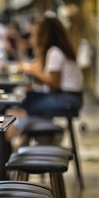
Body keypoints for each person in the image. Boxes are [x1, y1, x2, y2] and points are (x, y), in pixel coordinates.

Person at [6, 12, 84, 140]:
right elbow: (48, 81)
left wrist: (30, 71)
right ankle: (39, 137)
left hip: (68, 99)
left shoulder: (55, 52)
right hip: (71, 98)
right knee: (29, 98)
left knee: (27, 102)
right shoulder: (60, 50)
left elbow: (53, 83)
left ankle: (36, 135)